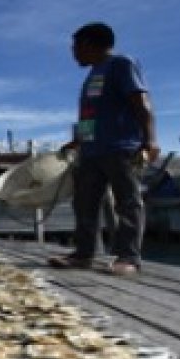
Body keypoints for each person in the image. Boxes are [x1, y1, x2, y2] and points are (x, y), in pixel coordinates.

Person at [48, 22, 160, 275]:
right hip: (91, 151)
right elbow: (91, 114)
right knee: (84, 203)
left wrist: (150, 140)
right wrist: (78, 141)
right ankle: (83, 254)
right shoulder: (92, 74)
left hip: (121, 147)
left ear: (88, 44)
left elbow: (141, 102)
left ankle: (128, 257)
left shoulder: (121, 64)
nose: (73, 53)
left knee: (128, 203)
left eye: (74, 47)